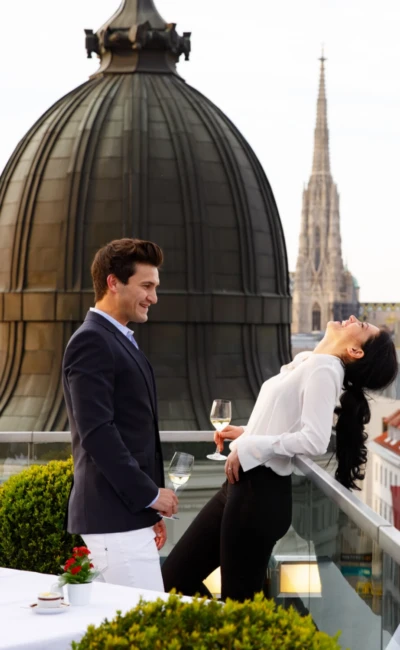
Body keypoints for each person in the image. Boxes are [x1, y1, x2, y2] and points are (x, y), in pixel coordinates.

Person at [162, 316, 398, 601]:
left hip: (259, 495)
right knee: (174, 578)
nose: (352, 319)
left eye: (360, 326)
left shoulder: (325, 368)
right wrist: (249, 432)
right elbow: (288, 421)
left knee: (236, 604)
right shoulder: (312, 362)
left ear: (355, 352)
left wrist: (251, 446)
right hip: (243, 489)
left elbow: (315, 439)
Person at [63, 238, 178, 591]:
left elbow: (132, 432)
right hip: (114, 520)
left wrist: (148, 512)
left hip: (127, 518)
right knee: (147, 633)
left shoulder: (117, 338)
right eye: (146, 286)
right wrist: (148, 494)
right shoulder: (92, 341)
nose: (153, 297)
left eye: (155, 287)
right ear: (113, 283)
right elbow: (98, 434)